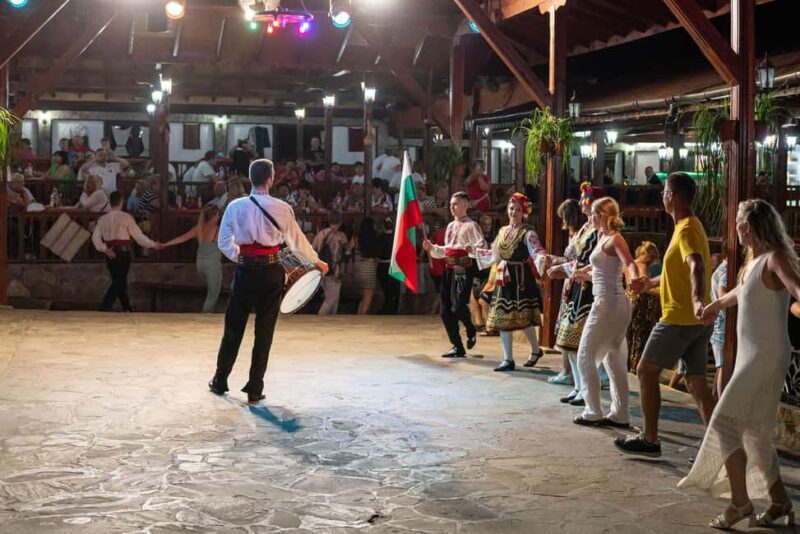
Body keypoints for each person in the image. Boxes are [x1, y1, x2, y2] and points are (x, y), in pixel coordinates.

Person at [680, 199, 800, 529]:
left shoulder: (774, 259)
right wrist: (714, 306)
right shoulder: (752, 263)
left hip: (768, 354)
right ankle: (779, 501)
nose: (735, 229)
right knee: (755, 434)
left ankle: (739, 504)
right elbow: (740, 292)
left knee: (724, 421)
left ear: (747, 227)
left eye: (737, 223)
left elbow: (796, 289)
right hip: (752, 353)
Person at [210, 159, 328, 403]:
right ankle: (255, 387)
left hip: (244, 272)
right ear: (271, 179)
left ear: (250, 178)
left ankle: (221, 380)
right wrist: (316, 261)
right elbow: (297, 242)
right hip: (272, 271)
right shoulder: (282, 208)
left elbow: (223, 242)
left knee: (233, 327)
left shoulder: (235, 206)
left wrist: (243, 257)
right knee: (264, 332)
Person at [615, 172, 714, 458]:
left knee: (646, 370)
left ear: (671, 195)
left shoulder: (685, 230)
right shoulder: (690, 226)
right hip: (695, 320)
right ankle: (715, 446)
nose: (662, 197)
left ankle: (650, 438)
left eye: (664, 192)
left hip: (678, 317)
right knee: (696, 382)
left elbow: (695, 265)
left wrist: (695, 299)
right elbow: (679, 272)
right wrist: (650, 283)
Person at [571, 198, 638, 427]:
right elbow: (602, 271)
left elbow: (629, 262)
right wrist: (583, 273)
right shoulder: (602, 238)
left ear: (601, 215)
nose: (589, 217)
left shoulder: (615, 239)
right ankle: (620, 413)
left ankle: (593, 410)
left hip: (609, 303)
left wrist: (636, 277)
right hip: (610, 301)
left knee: (585, 354)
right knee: (614, 360)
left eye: (592, 214)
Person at [473, 193, 546, 371]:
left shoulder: (528, 232)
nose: (514, 212)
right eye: (511, 208)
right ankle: (508, 359)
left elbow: (538, 252)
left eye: (518, 209)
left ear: (524, 212)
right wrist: (475, 252)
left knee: (524, 318)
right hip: (504, 277)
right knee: (502, 317)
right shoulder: (502, 231)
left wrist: (543, 262)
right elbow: (495, 254)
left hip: (521, 278)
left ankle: (536, 350)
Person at [551, 183, 604, 406]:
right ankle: (578, 387)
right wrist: (562, 267)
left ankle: (586, 389)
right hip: (575, 287)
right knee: (568, 341)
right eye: (582, 199)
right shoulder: (584, 229)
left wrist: (565, 268)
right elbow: (577, 261)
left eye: (586, 199)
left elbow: (592, 262)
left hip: (588, 290)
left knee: (581, 343)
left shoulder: (600, 231)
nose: (582, 202)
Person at [422, 192, 487, 358]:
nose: (452, 207)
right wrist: (432, 248)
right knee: (445, 310)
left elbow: (482, 248)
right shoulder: (450, 226)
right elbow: (446, 250)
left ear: (465, 205)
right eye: (451, 204)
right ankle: (457, 345)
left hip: (463, 270)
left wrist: (473, 251)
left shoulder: (472, 226)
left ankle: (471, 329)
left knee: (458, 306)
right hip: (449, 270)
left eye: (456, 204)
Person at [92, 191, 162, 311]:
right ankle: (105, 307)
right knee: (119, 281)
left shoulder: (102, 219)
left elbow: (95, 237)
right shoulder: (126, 218)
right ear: (121, 202)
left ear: (110, 202)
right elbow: (138, 236)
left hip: (110, 253)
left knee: (119, 281)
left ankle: (126, 307)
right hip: (122, 253)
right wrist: (153, 244)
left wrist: (104, 249)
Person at [544, 198, 583, 385]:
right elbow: (569, 260)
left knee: (569, 330)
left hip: (576, 283)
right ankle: (566, 370)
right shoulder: (573, 235)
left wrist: (561, 266)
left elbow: (579, 263)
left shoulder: (580, 237)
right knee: (562, 328)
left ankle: (570, 373)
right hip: (568, 283)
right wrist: (556, 260)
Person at [162, 205, 224, 313]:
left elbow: (181, 238)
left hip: (200, 264)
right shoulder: (219, 230)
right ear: (215, 215)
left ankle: (206, 315)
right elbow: (230, 246)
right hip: (212, 265)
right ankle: (205, 317)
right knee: (213, 294)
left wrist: (165, 244)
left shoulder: (199, 228)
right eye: (218, 215)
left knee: (211, 292)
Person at [625, 241, 661, 371]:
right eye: (651, 257)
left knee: (629, 336)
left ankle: (628, 366)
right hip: (642, 307)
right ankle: (636, 367)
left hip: (629, 302)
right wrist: (662, 293)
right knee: (640, 337)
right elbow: (644, 288)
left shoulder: (628, 265)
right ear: (643, 253)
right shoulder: (642, 266)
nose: (652, 261)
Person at [312, 211, 349, 315]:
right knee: (332, 298)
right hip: (335, 270)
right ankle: (319, 319)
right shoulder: (341, 236)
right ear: (340, 222)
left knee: (334, 297)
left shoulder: (320, 234)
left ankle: (332, 320)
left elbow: (313, 250)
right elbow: (347, 253)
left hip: (322, 269)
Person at [709, 242, 728, 399]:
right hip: (723, 325)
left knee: (720, 365)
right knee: (723, 366)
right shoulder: (727, 271)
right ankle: (721, 404)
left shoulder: (721, 269)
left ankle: (716, 399)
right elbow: (723, 294)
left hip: (718, 325)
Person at [351, 217, 379, 315]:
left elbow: (347, 250)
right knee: (368, 298)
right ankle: (362, 319)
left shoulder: (356, 238)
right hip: (368, 267)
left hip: (358, 268)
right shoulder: (372, 239)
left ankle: (358, 317)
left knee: (363, 297)